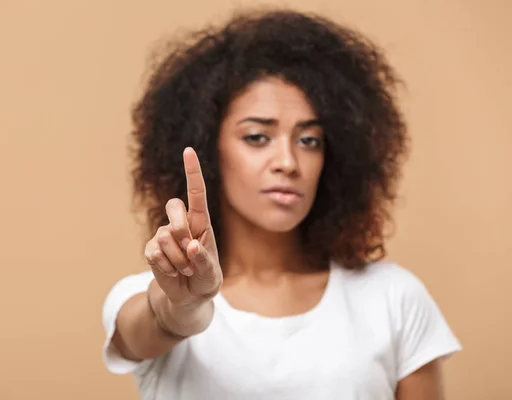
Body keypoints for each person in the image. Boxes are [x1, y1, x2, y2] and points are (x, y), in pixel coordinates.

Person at [101, 8, 461, 400]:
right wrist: (184, 305)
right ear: (208, 148)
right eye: (257, 137)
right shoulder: (150, 294)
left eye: (309, 140)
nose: (288, 163)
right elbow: (156, 323)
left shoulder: (392, 298)